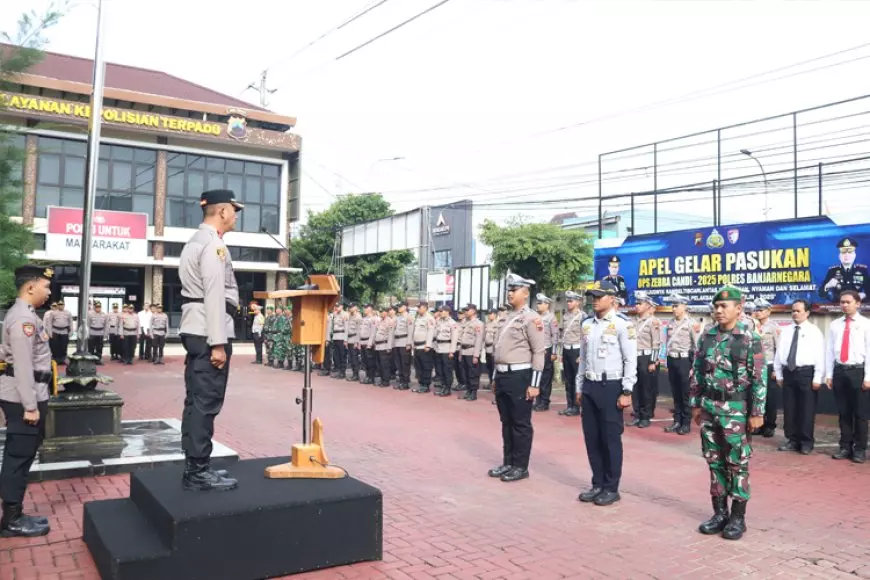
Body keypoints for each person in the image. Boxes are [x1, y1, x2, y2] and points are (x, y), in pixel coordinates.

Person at [178, 189, 243, 492]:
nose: (236, 215)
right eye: (234, 209)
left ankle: (196, 465)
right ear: (222, 212)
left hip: (197, 327)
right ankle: (198, 472)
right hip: (209, 330)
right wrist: (218, 342)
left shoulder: (196, 240)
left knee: (196, 401)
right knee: (206, 402)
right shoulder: (214, 245)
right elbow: (215, 293)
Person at [690, 285, 767, 541]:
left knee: (737, 462)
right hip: (711, 408)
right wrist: (696, 403)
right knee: (714, 461)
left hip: (736, 410)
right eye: (717, 306)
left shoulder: (749, 337)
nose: (719, 310)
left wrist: (757, 411)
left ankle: (738, 518)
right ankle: (719, 513)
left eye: (724, 306)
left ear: (739, 308)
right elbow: (697, 370)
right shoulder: (708, 335)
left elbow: (759, 378)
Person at [0, 265, 54, 537]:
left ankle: (15, 514)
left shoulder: (28, 315)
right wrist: (30, 407)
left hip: (31, 393)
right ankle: (11, 520)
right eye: (45, 286)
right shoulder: (23, 319)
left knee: (22, 455)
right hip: (24, 399)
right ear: (30, 287)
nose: (49, 291)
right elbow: (21, 366)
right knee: (18, 457)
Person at [575, 280, 637, 506]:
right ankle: (597, 483)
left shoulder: (623, 324)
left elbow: (630, 359)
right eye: (592, 296)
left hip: (611, 386)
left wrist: (627, 390)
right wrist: (579, 386)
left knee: (610, 438)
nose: (595, 300)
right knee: (592, 438)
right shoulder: (587, 324)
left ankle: (611, 487)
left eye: (599, 296)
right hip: (590, 385)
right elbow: (583, 359)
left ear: (612, 299)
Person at [488, 274, 546, 483]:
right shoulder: (505, 317)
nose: (510, 293)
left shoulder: (532, 318)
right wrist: (495, 376)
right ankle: (508, 462)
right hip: (503, 374)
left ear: (525, 293)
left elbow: (539, 351)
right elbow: (499, 349)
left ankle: (520, 466)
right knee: (506, 421)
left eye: (515, 290)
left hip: (520, 376)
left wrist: (534, 384)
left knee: (520, 423)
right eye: (509, 289)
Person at [773, 299, 824, 455]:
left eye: (798, 311)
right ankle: (792, 440)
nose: (794, 313)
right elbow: (779, 353)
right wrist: (779, 374)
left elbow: (820, 355)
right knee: (790, 409)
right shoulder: (786, 330)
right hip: (789, 373)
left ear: (807, 312)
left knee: (806, 409)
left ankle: (806, 441)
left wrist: (818, 377)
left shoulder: (814, 331)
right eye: (793, 311)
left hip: (806, 374)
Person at [825, 289, 870, 463]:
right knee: (843, 412)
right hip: (840, 371)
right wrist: (829, 374)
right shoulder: (835, 324)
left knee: (860, 414)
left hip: (858, 371)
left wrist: (868, 377)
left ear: (857, 303)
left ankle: (859, 449)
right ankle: (845, 446)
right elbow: (829, 350)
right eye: (842, 302)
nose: (844, 305)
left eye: (848, 302)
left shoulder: (866, 324)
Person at [663, 292, 695, 435]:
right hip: (672, 359)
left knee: (685, 393)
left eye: (676, 306)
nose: (673, 308)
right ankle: (677, 421)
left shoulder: (691, 324)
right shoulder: (670, 323)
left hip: (684, 361)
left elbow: (696, 347)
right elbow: (666, 342)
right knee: (675, 393)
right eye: (673, 306)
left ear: (684, 306)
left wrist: (693, 366)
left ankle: (686, 422)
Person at [632, 291, 661, 428]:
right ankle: (637, 414)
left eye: (640, 303)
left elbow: (656, 343)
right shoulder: (634, 321)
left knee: (646, 388)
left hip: (646, 357)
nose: (637, 306)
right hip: (634, 356)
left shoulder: (653, 322)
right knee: (635, 387)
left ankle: (646, 416)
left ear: (648, 305)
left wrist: (652, 361)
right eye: (636, 303)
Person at [752, 299, 780, 437]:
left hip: (769, 364)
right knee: (757, 395)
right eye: (756, 310)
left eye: (761, 310)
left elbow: (779, 348)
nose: (758, 313)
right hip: (754, 365)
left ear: (768, 311)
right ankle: (759, 424)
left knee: (769, 397)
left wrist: (776, 369)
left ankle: (770, 425)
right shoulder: (752, 327)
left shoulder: (773, 327)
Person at [559, 290, 585, 417]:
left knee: (577, 379)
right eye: (568, 301)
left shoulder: (582, 316)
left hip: (576, 350)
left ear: (578, 302)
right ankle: (570, 405)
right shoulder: (565, 315)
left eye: (571, 301)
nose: (568, 303)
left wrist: (582, 355)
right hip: (566, 349)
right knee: (568, 379)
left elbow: (585, 337)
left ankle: (577, 406)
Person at [533, 294, 559, 412]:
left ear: (546, 304)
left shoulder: (551, 318)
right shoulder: (535, 316)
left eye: (540, 303)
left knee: (545, 377)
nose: (538, 305)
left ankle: (544, 401)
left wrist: (553, 352)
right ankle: (538, 400)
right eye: (537, 303)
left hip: (546, 349)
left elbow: (555, 335)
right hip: (536, 350)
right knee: (536, 375)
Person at [458, 303, 484, 401]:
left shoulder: (478, 324)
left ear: (473, 311)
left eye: (467, 310)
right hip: (464, 351)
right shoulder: (465, 323)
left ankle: (473, 392)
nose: (465, 312)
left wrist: (476, 355)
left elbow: (479, 340)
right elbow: (462, 339)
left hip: (472, 351)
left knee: (473, 373)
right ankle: (468, 390)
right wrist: (460, 353)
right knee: (465, 373)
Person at [411, 302, 436, 393]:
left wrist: (428, 345)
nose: (418, 309)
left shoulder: (429, 318)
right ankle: (421, 384)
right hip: (417, 346)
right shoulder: (418, 318)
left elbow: (431, 332)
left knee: (426, 366)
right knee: (418, 367)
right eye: (417, 307)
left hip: (424, 346)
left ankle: (426, 385)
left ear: (425, 308)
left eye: (419, 307)